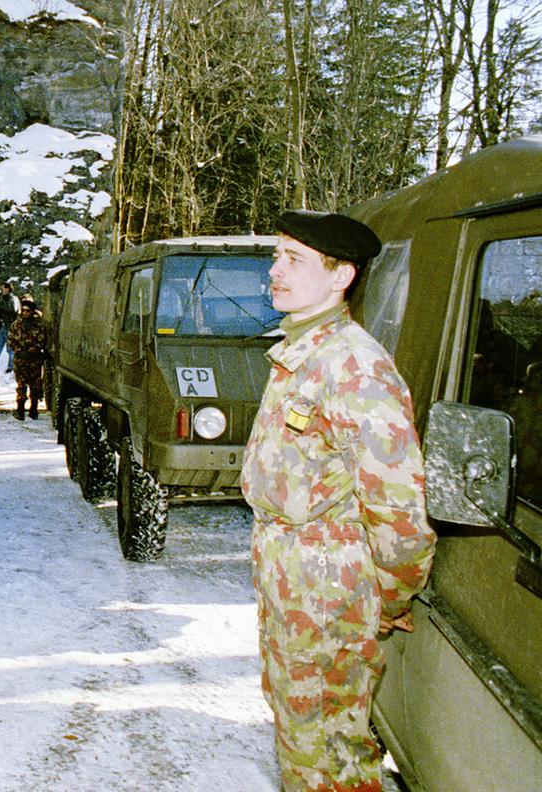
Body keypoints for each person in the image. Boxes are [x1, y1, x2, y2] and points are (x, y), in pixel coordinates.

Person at [242, 209, 436, 792]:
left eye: (293, 260)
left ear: (341, 276)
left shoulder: (354, 367)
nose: (274, 271)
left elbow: (399, 510)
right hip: (296, 578)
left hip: (330, 591)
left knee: (328, 750)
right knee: (305, 736)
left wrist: (389, 595)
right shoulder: (304, 351)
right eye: (277, 256)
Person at [6, 298, 48, 420]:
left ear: (32, 312)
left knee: (35, 385)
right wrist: (19, 350)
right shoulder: (16, 325)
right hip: (20, 359)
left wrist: (31, 351)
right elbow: (11, 340)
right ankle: (20, 410)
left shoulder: (38, 326)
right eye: (23, 311)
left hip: (34, 360)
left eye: (28, 311)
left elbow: (41, 341)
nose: (25, 313)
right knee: (21, 385)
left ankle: (33, 410)